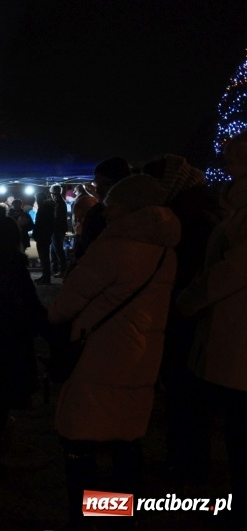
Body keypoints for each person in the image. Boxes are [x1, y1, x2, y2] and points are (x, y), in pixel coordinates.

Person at [47, 175, 180, 528]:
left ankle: (85, 518)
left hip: (100, 355)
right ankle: (117, 515)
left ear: (130, 209)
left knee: (81, 440)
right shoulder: (165, 252)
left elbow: (66, 305)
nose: (106, 212)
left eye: (112, 206)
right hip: (142, 354)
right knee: (124, 440)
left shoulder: (113, 247)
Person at [177, 131, 247, 523]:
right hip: (230, 329)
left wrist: (190, 298)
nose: (226, 161)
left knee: (240, 426)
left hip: (238, 332)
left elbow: (232, 269)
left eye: (234, 155)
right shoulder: (234, 205)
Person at [142, 154, 221, 486]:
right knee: (186, 396)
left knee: (185, 396)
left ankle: (187, 468)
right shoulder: (197, 207)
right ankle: (186, 462)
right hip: (189, 318)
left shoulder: (190, 215)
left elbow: (191, 272)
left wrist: (178, 304)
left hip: (186, 319)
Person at [0, 215, 46, 476]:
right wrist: (46, 326)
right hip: (11, 339)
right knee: (4, 397)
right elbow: (28, 304)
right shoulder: (13, 267)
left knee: (1, 396)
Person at [72, 157, 130, 265]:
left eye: (106, 184)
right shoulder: (96, 211)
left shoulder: (135, 215)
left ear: (121, 184)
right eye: (96, 184)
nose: (98, 189)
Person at [31, 191, 55, 285]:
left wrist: (37, 232)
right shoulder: (46, 208)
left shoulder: (44, 208)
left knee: (44, 257)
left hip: (42, 236)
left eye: (37, 199)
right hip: (44, 235)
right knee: (44, 257)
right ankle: (45, 276)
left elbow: (41, 223)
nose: (36, 201)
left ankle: (46, 278)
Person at [49, 184, 69, 278]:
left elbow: (57, 217)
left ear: (53, 193)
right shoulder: (60, 201)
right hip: (58, 229)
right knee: (54, 250)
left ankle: (63, 270)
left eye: (51, 192)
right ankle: (56, 269)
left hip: (57, 229)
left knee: (58, 250)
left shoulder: (58, 202)